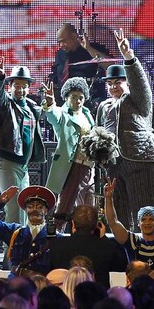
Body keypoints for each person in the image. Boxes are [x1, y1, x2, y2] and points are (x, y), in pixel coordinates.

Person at [95, 28, 154, 228]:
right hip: (114, 165)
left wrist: (129, 57)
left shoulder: (136, 100)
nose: (113, 87)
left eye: (118, 82)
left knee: (146, 214)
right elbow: (99, 134)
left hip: (142, 162)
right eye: (110, 84)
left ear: (127, 83)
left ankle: (151, 257)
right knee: (118, 219)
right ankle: (123, 258)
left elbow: (141, 85)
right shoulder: (104, 106)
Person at [0, 63, 46, 225]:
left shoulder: (31, 108)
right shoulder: (6, 104)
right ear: (10, 87)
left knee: (24, 208)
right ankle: (10, 248)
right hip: (7, 163)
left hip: (24, 167)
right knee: (14, 209)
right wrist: (0, 78)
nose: (20, 90)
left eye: (24, 86)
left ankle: (20, 247)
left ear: (29, 88)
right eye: (17, 85)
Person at [42, 77, 96, 221]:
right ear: (66, 97)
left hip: (89, 166)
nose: (77, 101)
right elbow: (53, 116)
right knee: (65, 205)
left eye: (81, 97)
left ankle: (85, 235)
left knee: (88, 205)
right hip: (72, 166)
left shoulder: (87, 114)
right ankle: (56, 238)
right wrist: (50, 103)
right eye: (73, 97)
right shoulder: (63, 114)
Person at [0, 185, 58, 273]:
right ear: (25, 210)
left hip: (42, 283)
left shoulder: (55, 236)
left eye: (39, 207)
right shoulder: (15, 232)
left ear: (46, 210)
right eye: (30, 207)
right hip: (18, 282)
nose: (35, 210)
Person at [48, 204, 127, 287]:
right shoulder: (110, 247)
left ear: (73, 224)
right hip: (98, 297)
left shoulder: (56, 246)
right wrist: (103, 238)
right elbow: (121, 271)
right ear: (97, 225)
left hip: (64, 297)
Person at [51, 23, 109, 102]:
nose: (61, 45)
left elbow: (109, 65)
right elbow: (55, 75)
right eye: (59, 42)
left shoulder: (94, 49)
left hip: (89, 97)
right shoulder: (60, 54)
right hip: (64, 99)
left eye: (64, 41)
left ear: (74, 36)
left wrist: (88, 49)